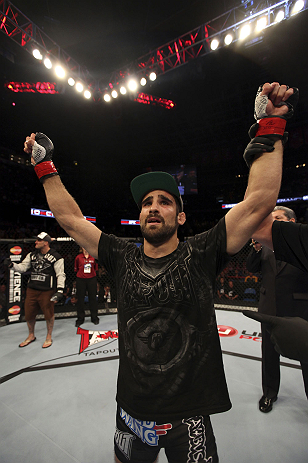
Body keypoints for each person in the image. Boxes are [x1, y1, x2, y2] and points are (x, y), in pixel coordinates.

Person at [23, 82, 294, 463]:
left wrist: (269, 125)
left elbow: (259, 201)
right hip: (132, 411)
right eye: (147, 202)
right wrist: (44, 165)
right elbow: (69, 219)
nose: (153, 207)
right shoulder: (120, 255)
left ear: (180, 216)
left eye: (164, 202)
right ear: (139, 216)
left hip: (190, 414)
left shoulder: (201, 252)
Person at [246, 206, 308, 413]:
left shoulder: (303, 244)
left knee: (305, 356)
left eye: (277, 219)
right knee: (269, 354)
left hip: (298, 309)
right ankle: (269, 393)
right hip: (269, 308)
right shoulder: (263, 246)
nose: (271, 223)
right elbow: (252, 268)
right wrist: (255, 249)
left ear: (291, 223)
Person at [4, 232, 65, 348]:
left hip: (47, 290)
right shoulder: (31, 255)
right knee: (29, 314)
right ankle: (31, 335)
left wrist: (60, 290)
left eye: (38, 240)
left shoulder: (57, 257)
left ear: (46, 243)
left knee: (49, 314)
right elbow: (22, 268)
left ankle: (48, 336)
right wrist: (12, 265)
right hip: (32, 289)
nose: (35, 242)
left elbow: (60, 274)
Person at [74, 247, 99, 326]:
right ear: (81, 248)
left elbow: (95, 268)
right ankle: (80, 318)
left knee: (93, 298)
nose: (85, 248)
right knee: (80, 299)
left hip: (91, 279)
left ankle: (94, 317)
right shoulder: (78, 257)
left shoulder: (93, 257)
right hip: (81, 280)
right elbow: (76, 268)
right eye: (83, 247)